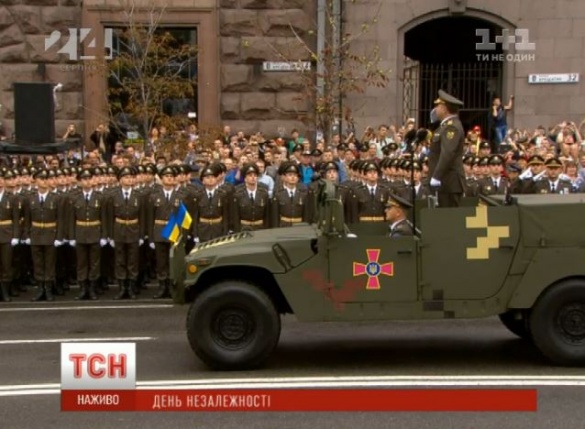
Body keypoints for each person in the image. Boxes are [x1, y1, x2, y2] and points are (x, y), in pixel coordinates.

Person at [428, 89, 466, 208]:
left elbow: (447, 153)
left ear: (444, 108)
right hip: (445, 183)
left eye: (438, 106)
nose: (435, 109)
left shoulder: (451, 127)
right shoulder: (444, 126)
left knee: (449, 217)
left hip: (449, 183)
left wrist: (436, 176)